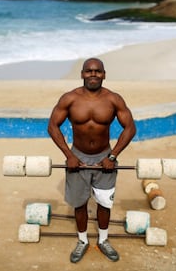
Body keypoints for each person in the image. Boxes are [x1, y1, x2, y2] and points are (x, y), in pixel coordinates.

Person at [47, 58, 136, 263]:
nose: (93, 74)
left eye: (97, 71)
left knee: (104, 203)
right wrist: (69, 156)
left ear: (104, 74)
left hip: (105, 158)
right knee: (79, 204)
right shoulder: (70, 99)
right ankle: (82, 241)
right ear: (82, 74)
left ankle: (103, 240)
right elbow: (52, 126)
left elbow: (130, 128)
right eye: (89, 71)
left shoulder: (113, 100)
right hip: (77, 156)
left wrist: (112, 156)